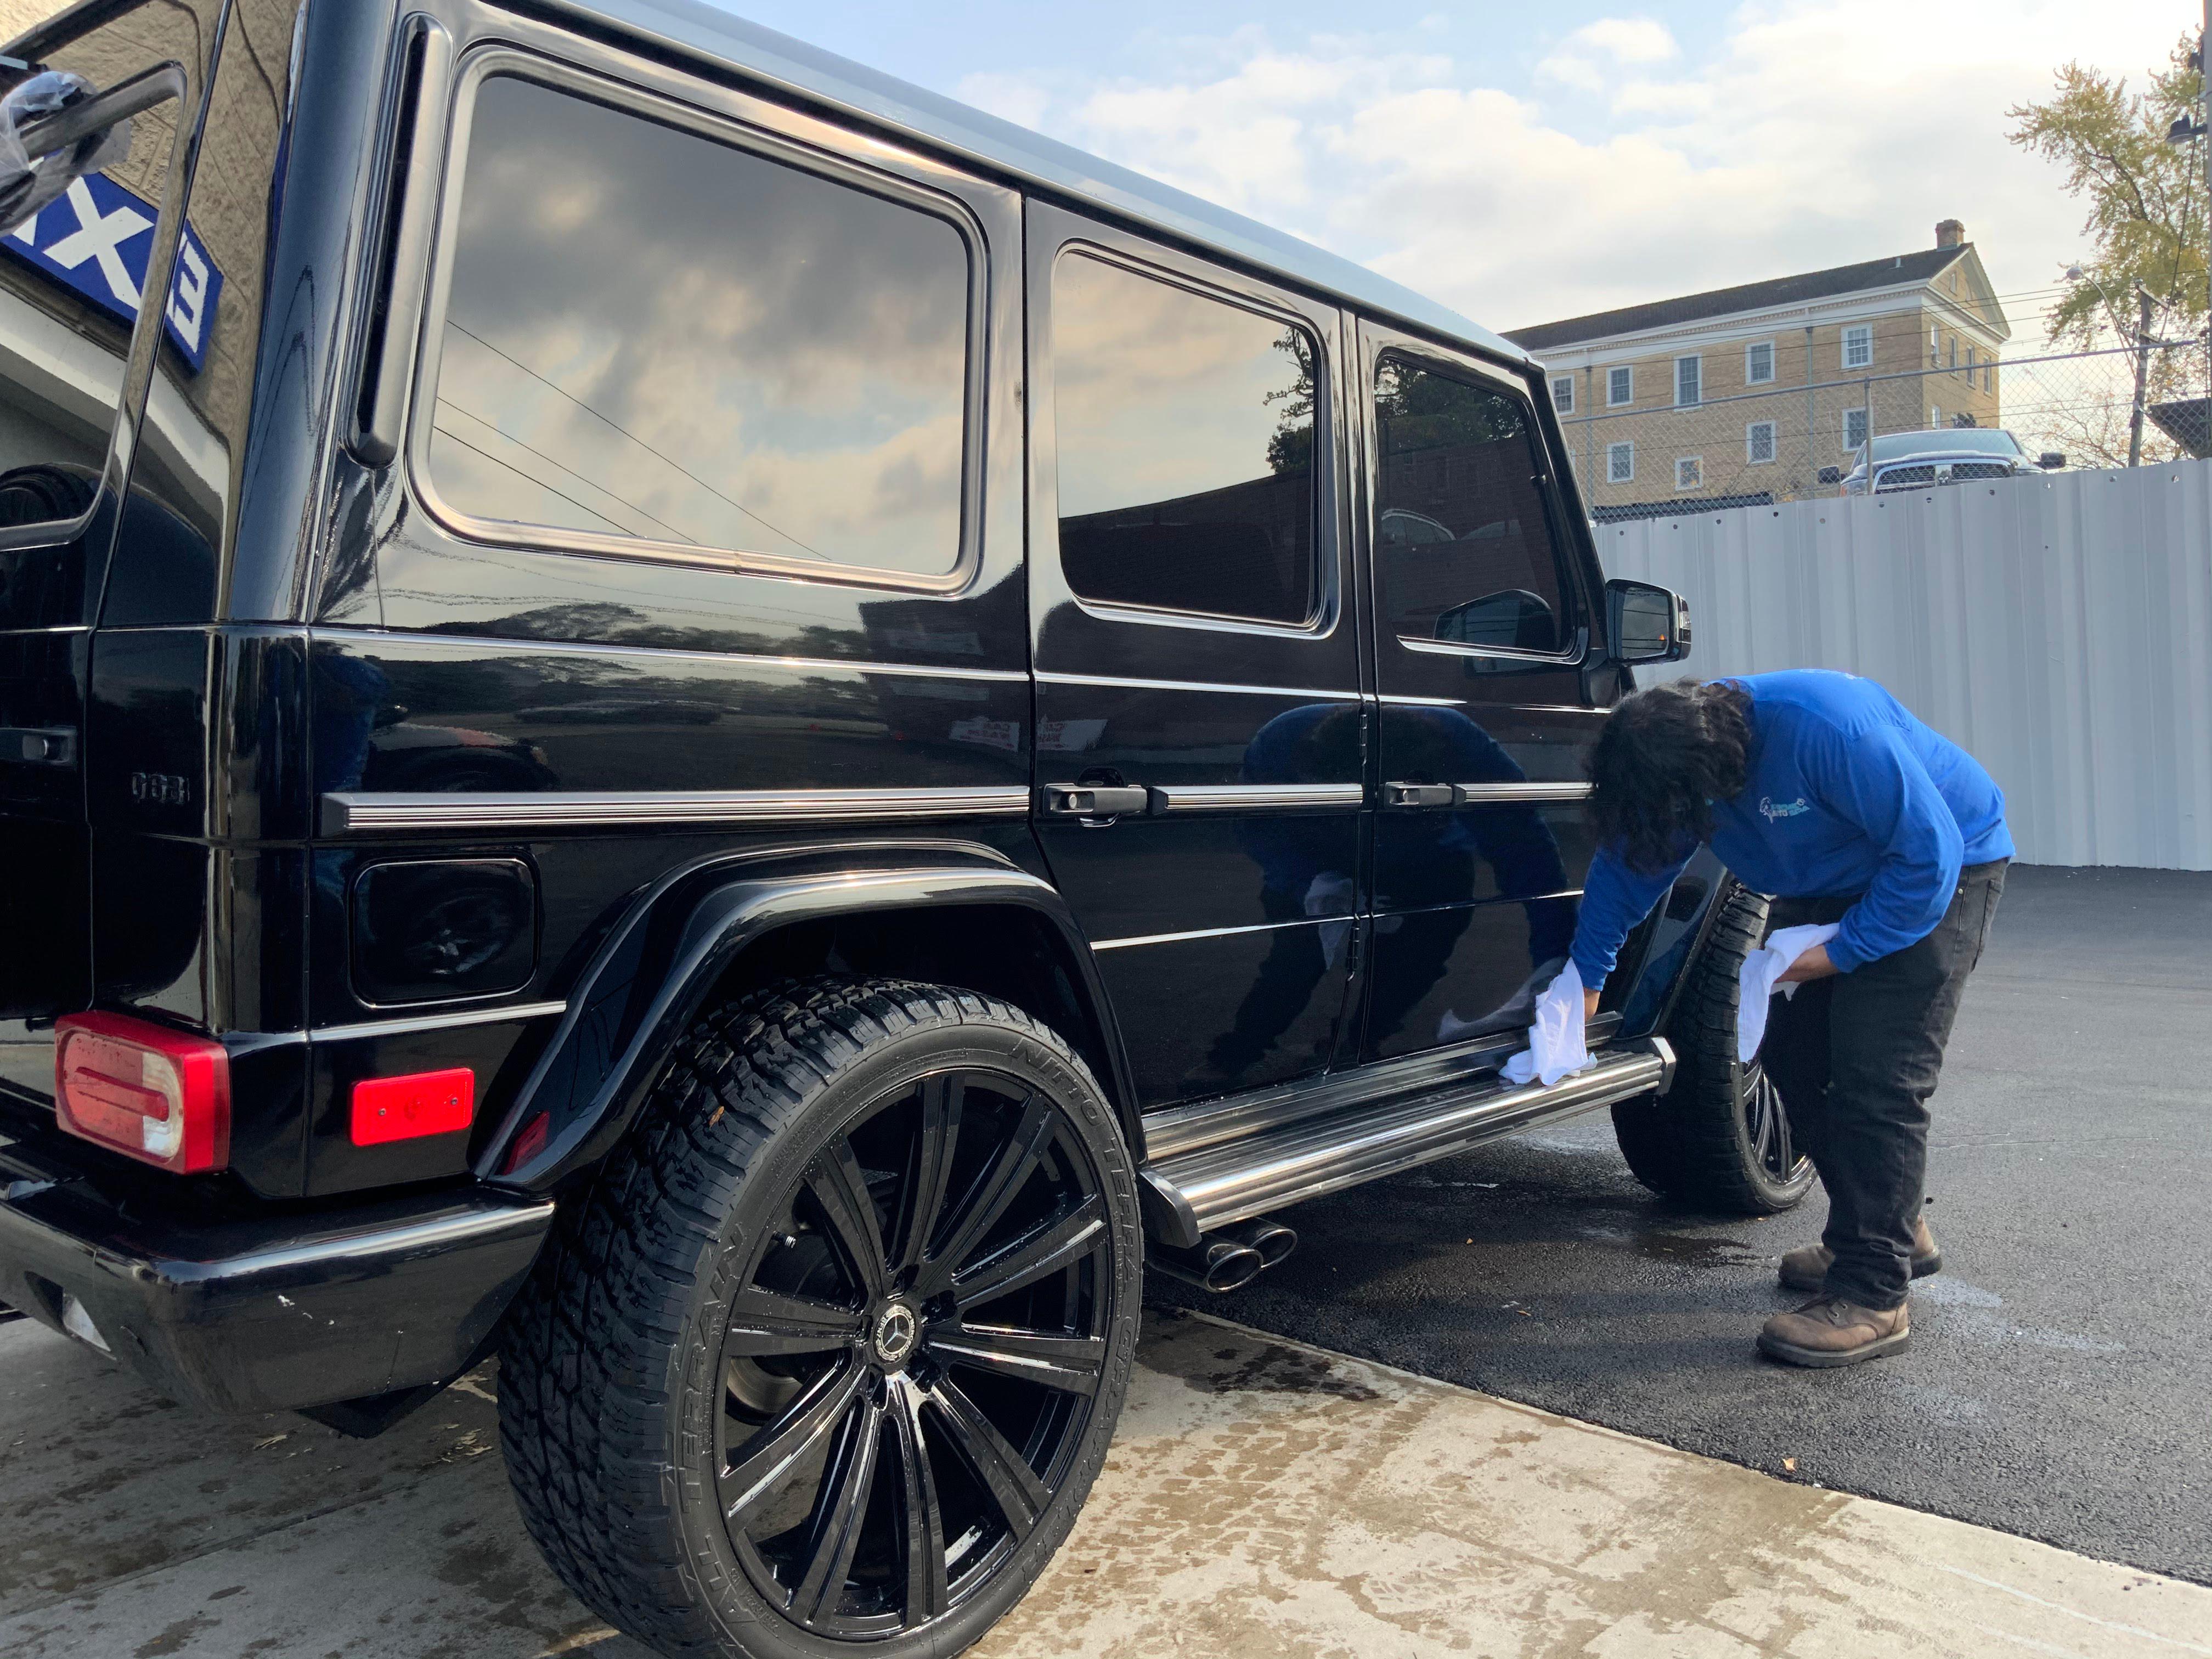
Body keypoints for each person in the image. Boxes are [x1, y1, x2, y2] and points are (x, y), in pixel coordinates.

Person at [1569, 671, 2012, 1368]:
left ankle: (1874, 1294)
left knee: (1876, 1080)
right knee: (1795, 1060)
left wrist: (1839, 954)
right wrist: (1586, 981)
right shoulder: (1678, 769)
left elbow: (1929, 857)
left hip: (1938, 873)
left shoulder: (1829, 729)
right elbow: (1629, 865)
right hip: (1826, 879)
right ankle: (1887, 1231)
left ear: (1716, 775)